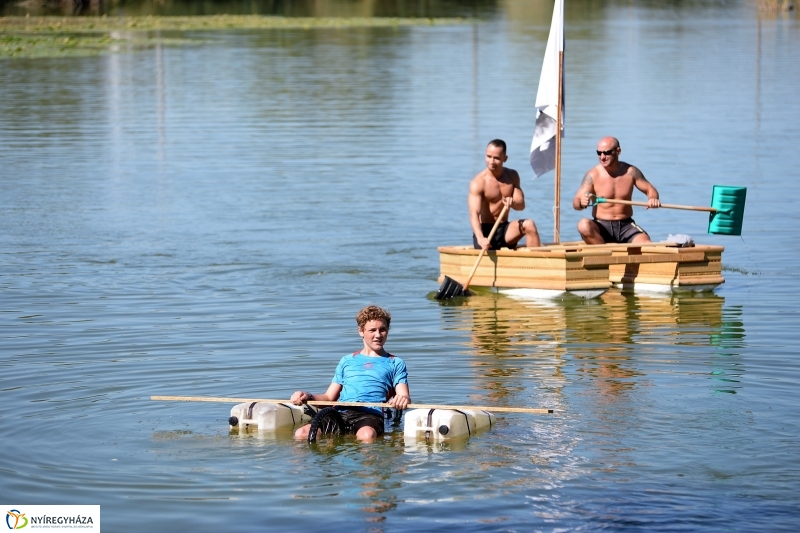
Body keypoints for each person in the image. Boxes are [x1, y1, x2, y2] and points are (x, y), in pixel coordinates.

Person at [291, 305, 410, 442]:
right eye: (372, 330)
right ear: (361, 331)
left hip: (370, 415)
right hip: (339, 413)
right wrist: (308, 396)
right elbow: (329, 398)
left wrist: (402, 399)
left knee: (367, 436)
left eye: (382, 329)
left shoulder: (395, 362)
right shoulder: (346, 361)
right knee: (301, 433)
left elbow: (403, 395)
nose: (378, 335)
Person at [572, 136, 661, 244]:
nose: (602, 157)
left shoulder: (630, 171)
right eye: (599, 153)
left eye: (607, 153)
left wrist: (653, 198)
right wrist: (581, 203)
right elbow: (576, 201)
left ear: (618, 151)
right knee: (583, 225)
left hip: (626, 226)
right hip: (601, 226)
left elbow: (650, 189)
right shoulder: (593, 175)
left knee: (647, 245)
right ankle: (604, 256)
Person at [469, 139, 541, 250]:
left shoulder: (512, 176)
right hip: (485, 232)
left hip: (504, 229)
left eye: (496, 158)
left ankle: (538, 264)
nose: (491, 161)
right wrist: (480, 237)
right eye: (488, 156)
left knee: (529, 225)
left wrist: (513, 203)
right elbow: (474, 214)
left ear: (505, 159)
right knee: (482, 236)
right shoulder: (478, 182)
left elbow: (521, 206)